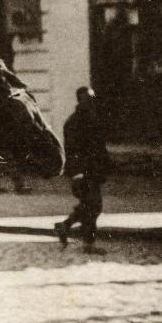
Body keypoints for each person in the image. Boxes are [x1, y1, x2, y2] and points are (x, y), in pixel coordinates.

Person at [55, 86, 112, 255]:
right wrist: (77, 172)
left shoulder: (91, 118)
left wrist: (105, 165)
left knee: (90, 205)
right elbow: (72, 150)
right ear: (81, 100)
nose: (93, 101)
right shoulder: (74, 122)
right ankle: (88, 243)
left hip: (93, 170)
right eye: (89, 98)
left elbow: (99, 146)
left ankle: (64, 226)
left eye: (93, 97)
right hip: (82, 172)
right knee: (93, 205)